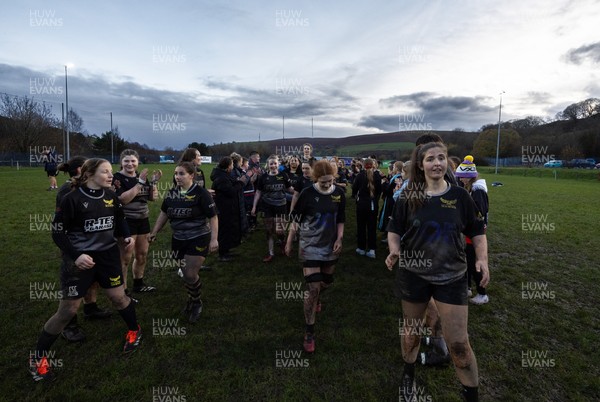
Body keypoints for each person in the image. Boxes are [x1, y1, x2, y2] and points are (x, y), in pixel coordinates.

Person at [385, 142, 489, 402]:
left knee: (460, 346)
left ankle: (471, 395)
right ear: (420, 165)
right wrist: (394, 249)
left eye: (441, 158)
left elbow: (477, 231)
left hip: (451, 277)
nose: (437, 163)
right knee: (411, 334)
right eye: (430, 158)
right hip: (413, 275)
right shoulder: (409, 197)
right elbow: (394, 229)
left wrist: (482, 260)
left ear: (447, 163)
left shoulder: (460, 197)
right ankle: (408, 376)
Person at [30, 158, 142, 382]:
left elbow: (119, 218)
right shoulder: (71, 199)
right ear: (90, 174)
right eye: (105, 172)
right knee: (68, 310)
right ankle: (37, 357)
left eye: (111, 171)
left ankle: (134, 330)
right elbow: (58, 232)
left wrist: (126, 234)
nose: (111, 175)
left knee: (119, 298)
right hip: (79, 259)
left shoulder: (111, 196)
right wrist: (76, 255)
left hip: (108, 256)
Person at [285, 160, 345, 353]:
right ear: (315, 178)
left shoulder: (339, 194)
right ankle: (309, 332)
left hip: (329, 245)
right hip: (309, 244)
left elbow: (341, 219)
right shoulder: (307, 194)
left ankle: (318, 297)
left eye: (330, 181)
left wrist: (340, 239)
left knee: (325, 283)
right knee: (312, 289)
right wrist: (289, 241)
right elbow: (295, 219)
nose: (327, 184)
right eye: (323, 181)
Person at [148, 162, 218, 323]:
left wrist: (214, 239)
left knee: (190, 274)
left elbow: (213, 217)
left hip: (198, 237)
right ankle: (191, 298)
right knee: (186, 274)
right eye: (176, 174)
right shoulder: (172, 193)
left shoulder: (201, 193)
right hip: (178, 238)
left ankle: (196, 302)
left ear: (191, 175)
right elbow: (164, 213)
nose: (177, 177)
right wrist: (154, 232)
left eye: (181, 174)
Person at [55, 156, 112, 343]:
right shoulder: (69, 190)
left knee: (91, 279)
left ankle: (91, 307)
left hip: (92, 243)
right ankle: (69, 325)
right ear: (82, 170)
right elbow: (61, 225)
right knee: (72, 288)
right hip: (75, 245)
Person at [113, 149, 161, 294]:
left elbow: (153, 198)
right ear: (121, 162)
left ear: (137, 162)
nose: (130, 164)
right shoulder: (116, 178)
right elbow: (123, 199)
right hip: (126, 221)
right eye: (126, 161)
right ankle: (123, 292)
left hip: (143, 219)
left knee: (142, 254)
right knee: (125, 259)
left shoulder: (142, 177)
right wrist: (140, 183)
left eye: (133, 161)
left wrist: (152, 183)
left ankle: (138, 284)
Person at [455, 156, 490, 305]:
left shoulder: (478, 190)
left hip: (475, 233)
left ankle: (482, 294)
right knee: (468, 261)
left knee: (475, 263)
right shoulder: (470, 188)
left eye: (462, 177)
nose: (461, 180)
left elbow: (480, 211)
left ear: (469, 177)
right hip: (469, 231)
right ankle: (468, 288)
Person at [251, 155, 294, 262]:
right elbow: (258, 192)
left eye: (275, 163)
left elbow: (290, 189)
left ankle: (282, 242)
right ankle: (271, 253)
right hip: (267, 206)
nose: (273, 165)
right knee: (269, 230)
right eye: (271, 163)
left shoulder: (283, 175)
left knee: (280, 231)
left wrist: (301, 193)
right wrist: (254, 206)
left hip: (281, 206)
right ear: (268, 165)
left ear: (278, 164)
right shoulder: (263, 177)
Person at [210, 156, 253, 262]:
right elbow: (231, 191)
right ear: (228, 166)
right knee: (224, 230)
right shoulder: (221, 178)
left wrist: (239, 181)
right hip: (224, 208)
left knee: (229, 229)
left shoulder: (224, 175)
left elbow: (233, 184)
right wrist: (242, 182)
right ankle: (222, 254)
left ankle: (226, 250)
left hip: (229, 207)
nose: (233, 166)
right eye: (232, 165)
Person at [352, 158, 382, 258]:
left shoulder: (360, 175)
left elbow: (354, 188)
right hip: (373, 204)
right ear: (373, 165)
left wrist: (355, 195)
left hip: (362, 204)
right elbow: (379, 190)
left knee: (361, 226)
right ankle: (372, 249)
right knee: (372, 227)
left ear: (363, 165)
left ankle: (361, 248)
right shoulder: (377, 175)